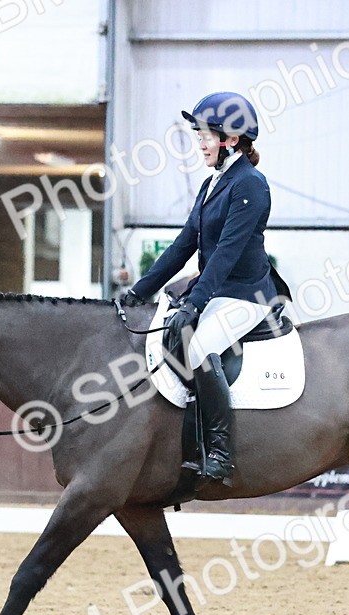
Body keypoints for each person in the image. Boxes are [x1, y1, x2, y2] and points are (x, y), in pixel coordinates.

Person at [124, 91, 286, 482]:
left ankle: (220, 453)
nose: (199, 144)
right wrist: (138, 292)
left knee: (199, 347)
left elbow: (226, 254)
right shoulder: (212, 184)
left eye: (205, 136)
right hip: (219, 291)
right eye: (199, 136)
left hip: (248, 294)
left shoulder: (251, 185)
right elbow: (184, 245)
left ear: (231, 139)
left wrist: (194, 304)